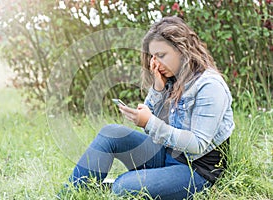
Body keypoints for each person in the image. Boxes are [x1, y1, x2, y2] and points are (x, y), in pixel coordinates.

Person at [68, 16, 234, 200]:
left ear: (182, 49)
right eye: (153, 56)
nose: (155, 63)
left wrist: (150, 122)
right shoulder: (173, 78)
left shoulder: (209, 86)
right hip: (167, 154)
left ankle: (115, 185)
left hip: (196, 171)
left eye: (161, 56)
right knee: (111, 133)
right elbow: (150, 122)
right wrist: (157, 88)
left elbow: (198, 144)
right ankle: (67, 195)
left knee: (122, 187)